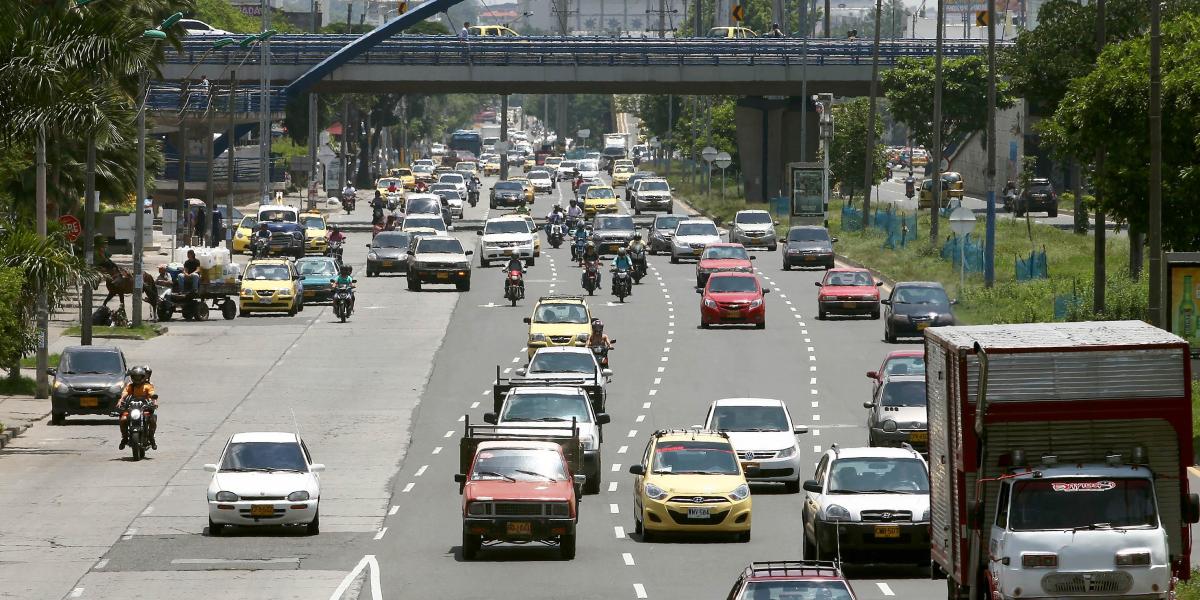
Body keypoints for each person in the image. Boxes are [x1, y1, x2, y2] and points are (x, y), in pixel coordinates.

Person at [117, 365, 158, 450]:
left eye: (139, 376)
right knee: (123, 419)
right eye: (135, 376)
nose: (137, 378)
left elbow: (152, 393)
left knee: (152, 420)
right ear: (132, 377)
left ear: (143, 377)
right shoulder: (130, 386)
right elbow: (125, 393)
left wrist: (154, 402)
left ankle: (151, 438)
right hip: (132, 408)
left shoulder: (147, 386)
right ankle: (124, 438)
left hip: (145, 407)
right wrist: (121, 400)